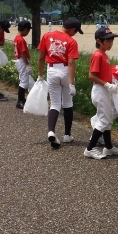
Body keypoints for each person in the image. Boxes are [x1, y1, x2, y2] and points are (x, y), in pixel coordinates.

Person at [37, 17, 82, 149]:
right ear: (72, 29)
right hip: (65, 70)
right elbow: (71, 62)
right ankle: (67, 135)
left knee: (55, 103)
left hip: (51, 70)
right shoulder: (71, 41)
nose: (75, 33)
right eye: (76, 31)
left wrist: (40, 75)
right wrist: (71, 84)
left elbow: (41, 58)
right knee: (68, 103)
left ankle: (51, 131)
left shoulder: (47, 35)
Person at [83, 28, 118, 159]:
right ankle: (90, 148)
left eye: (112, 40)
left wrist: (112, 83)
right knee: (104, 119)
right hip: (101, 90)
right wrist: (106, 84)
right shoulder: (98, 55)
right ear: (98, 41)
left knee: (108, 118)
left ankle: (109, 147)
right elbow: (91, 75)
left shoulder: (104, 54)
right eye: (108, 40)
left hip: (105, 89)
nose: (111, 43)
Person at [13, 20, 33, 109]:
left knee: (24, 80)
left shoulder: (17, 37)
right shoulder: (21, 39)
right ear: (25, 29)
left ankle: (22, 99)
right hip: (22, 60)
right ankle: (20, 101)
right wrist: (27, 65)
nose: (28, 32)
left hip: (20, 60)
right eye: (28, 31)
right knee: (24, 82)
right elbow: (23, 52)